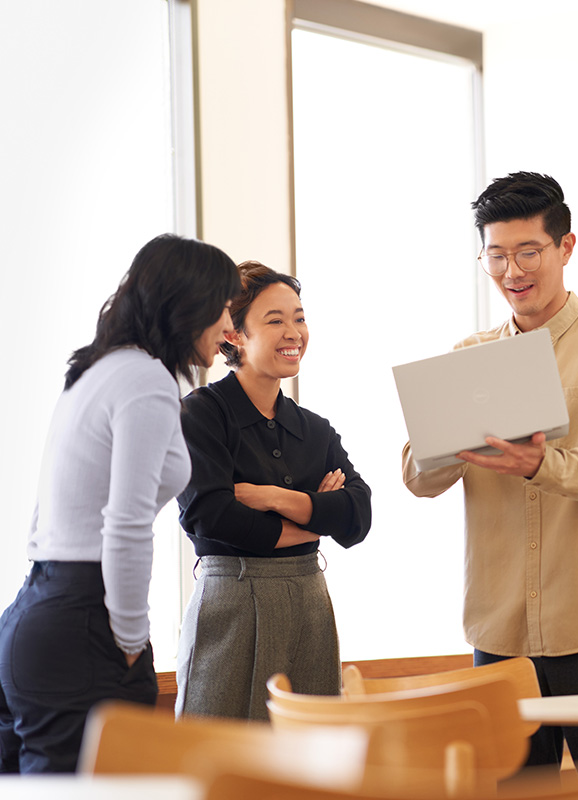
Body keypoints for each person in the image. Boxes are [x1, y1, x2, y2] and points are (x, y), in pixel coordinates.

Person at [402, 172, 578, 798]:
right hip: (499, 636)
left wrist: (542, 465)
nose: (511, 271)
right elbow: (418, 477)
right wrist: (451, 443)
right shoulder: (468, 356)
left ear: (565, 247)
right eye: (495, 256)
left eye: (528, 252)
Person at [0, 234, 240, 773]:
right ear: (190, 303)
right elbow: (127, 523)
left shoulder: (97, 367)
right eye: (224, 307)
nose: (230, 327)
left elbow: (46, 514)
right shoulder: (146, 379)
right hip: (82, 623)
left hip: (35, 613)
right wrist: (130, 641)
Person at [174, 261, 371, 721]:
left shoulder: (314, 429)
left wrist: (273, 499)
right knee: (219, 759)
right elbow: (212, 517)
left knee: (311, 764)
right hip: (231, 599)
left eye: (299, 318)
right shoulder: (199, 414)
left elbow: (358, 516)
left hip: (309, 601)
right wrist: (315, 516)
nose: (294, 332)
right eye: (275, 320)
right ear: (234, 335)